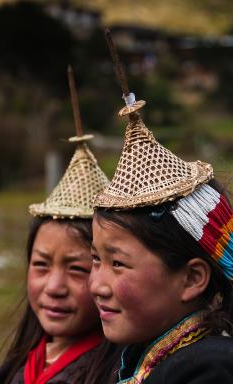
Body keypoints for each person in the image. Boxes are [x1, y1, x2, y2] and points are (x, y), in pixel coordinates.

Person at [90, 92, 233, 383]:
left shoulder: (210, 369)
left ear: (192, 278)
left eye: (117, 263)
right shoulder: (140, 358)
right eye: (95, 259)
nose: (96, 285)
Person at [0, 90, 121, 383]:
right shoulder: (21, 363)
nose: (54, 287)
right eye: (41, 265)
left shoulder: (114, 372)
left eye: (77, 269)